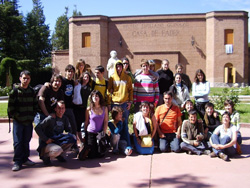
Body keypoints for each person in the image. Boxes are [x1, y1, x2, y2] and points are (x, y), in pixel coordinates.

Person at [8, 70, 38, 171]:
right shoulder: (15, 92)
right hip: (18, 122)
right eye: (24, 78)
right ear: (20, 78)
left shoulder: (32, 91)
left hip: (28, 121)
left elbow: (35, 105)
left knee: (26, 141)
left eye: (28, 78)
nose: (26, 80)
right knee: (18, 142)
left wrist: (32, 116)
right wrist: (17, 116)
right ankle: (17, 161)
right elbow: (10, 108)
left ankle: (25, 158)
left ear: (30, 79)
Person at [35, 101, 76, 165]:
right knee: (57, 150)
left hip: (57, 140)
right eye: (59, 108)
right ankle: (45, 156)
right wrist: (46, 139)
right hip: (48, 142)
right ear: (55, 109)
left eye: (63, 108)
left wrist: (67, 133)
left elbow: (68, 130)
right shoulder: (50, 118)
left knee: (72, 137)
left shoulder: (65, 118)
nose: (61, 110)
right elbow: (37, 128)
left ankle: (59, 155)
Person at [107, 60, 133, 154]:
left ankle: (128, 145)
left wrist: (130, 102)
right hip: (115, 103)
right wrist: (109, 103)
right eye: (117, 67)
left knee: (125, 124)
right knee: (115, 124)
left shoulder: (127, 77)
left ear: (122, 67)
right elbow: (108, 91)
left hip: (124, 103)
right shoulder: (112, 77)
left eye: (120, 66)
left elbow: (130, 90)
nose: (119, 68)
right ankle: (115, 145)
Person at [80, 90, 108, 159]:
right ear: (91, 98)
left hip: (100, 133)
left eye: (97, 96)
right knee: (92, 156)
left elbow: (106, 121)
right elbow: (86, 122)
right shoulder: (88, 109)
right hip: (91, 132)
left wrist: (103, 133)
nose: (95, 98)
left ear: (100, 98)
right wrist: (85, 134)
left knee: (100, 154)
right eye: (93, 96)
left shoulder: (105, 108)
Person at [73, 72, 92, 146]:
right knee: (77, 124)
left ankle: (83, 139)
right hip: (76, 107)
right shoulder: (78, 85)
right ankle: (78, 140)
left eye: (87, 77)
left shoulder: (89, 88)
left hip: (84, 108)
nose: (86, 79)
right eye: (85, 77)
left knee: (84, 124)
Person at [61, 65, 78, 144]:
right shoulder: (62, 81)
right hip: (61, 108)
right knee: (60, 127)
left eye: (71, 72)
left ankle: (73, 144)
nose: (70, 73)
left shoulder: (72, 82)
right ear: (65, 72)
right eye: (68, 71)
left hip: (70, 107)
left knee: (73, 127)